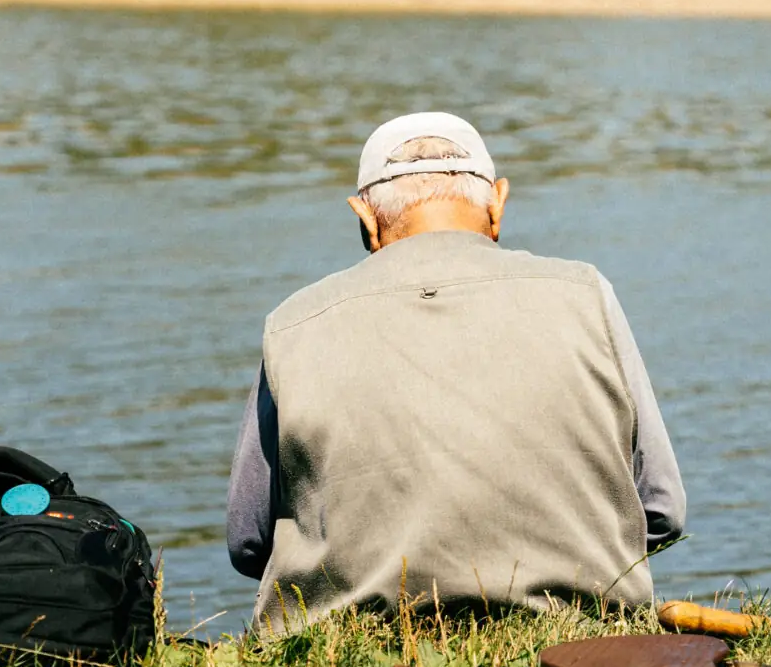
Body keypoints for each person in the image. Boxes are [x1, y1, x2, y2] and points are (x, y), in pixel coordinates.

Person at [226, 111, 684, 629]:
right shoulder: (587, 294)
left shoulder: (292, 323)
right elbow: (661, 508)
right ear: (498, 202)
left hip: (352, 639)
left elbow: (248, 541)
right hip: (581, 634)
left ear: (365, 217)